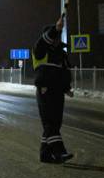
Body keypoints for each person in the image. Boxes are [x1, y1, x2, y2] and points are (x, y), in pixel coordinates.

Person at [32, 13, 74, 163]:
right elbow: (44, 41)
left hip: (58, 91)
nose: (56, 39)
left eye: (58, 37)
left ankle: (45, 154)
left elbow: (64, 72)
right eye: (54, 36)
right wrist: (55, 29)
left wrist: (66, 88)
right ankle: (59, 152)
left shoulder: (60, 53)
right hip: (45, 89)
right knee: (49, 122)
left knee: (55, 123)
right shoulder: (40, 50)